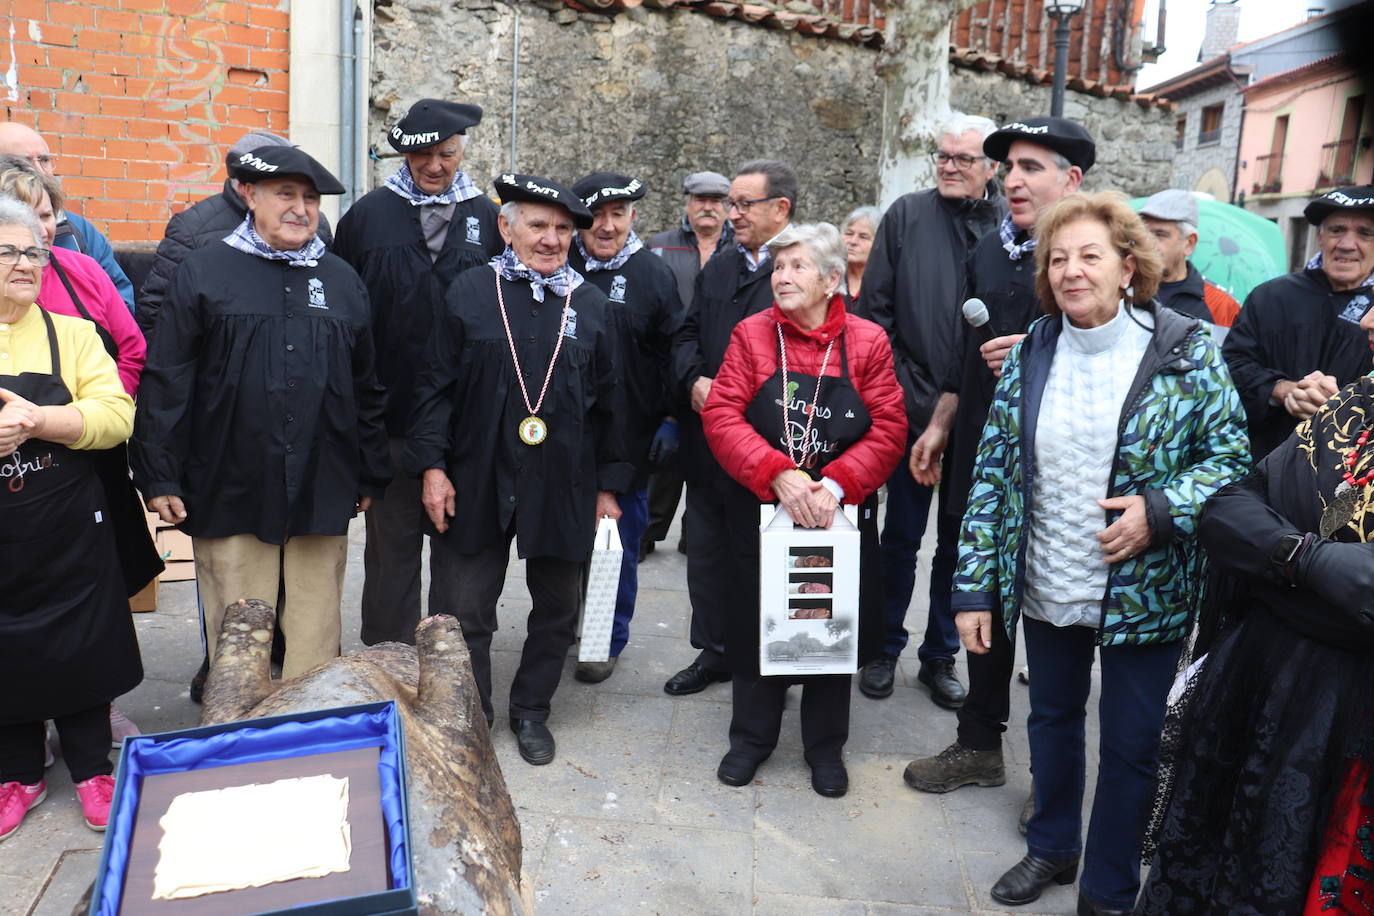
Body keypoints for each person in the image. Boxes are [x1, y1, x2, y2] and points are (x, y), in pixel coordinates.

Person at [954, 191, 1249, 913]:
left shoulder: (1184, 349)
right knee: (1050, 722)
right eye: (1058, 258)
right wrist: (971, 588)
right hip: (1050, 576)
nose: (1070, 271)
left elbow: (1232, 457)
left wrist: (1161, 510)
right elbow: (993, 472)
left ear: (1128, 267)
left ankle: (1110, 886)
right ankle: (1053, 846)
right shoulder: (1031, 352)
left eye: (1090, 255)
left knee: (1129, 742)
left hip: (1145, 588)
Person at [1137, 319, 1374, 913]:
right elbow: (1231, 507)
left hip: (1345, 725)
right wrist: (1304, 557)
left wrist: (1285, 560)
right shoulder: (1357, 401)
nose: (1368, 321)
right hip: (1255, 684)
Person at [131, 146, 391, 681]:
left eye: (310, 198)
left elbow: (367, 384)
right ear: (250, 195)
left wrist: (369, 469)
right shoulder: (204, 271)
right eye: (286, 195)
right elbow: (168, 377)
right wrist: (159, 472)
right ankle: (240, 736)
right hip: (230, 478)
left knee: (316, 634)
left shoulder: (342, 280)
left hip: (323, 480)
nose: (300, 208)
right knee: (239, 627)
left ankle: (308, 735)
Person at [406, 174, 630, 766]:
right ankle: (469, 713)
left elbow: (613, 405)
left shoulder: (593, 306)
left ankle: (532, 710)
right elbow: (432, 389)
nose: (552, 239)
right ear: (506, 227)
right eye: (538, 225)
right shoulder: (468, 292)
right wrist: (432, 467)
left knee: (556, 609)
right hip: (474, 478)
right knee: (461, 608)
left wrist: (609, 487)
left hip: (562, 484)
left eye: (562, 228)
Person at [902, 116, 1089, 800]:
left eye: (1031, 167)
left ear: (1070, 180)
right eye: (1008, 167)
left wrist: (1047, 356)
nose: (1013, 179)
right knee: (977, 594)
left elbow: (1122, 359)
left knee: (1046, 612)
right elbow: (963, 353)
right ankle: (980, 744)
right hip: (982, 460)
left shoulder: (1091, 260)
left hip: (1058, 472)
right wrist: (941, 423)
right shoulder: (988, 249)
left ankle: (1052, 777)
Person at [702, 222, 905, 797]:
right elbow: (722, 415)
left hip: (836, 512)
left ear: (832, 279)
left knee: (828, 625)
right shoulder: (751, 335)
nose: (782, 277)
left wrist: (836, 487)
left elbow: (889, 427)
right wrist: (777, 476)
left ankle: (824, 748)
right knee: (755, 620)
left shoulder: (867, 342)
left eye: (797, 266)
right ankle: (751, 739)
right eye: (778, 266)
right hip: (763, 507)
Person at [0, 162, 161, 747]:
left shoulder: (75, 303)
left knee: (87, 615)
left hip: (74, 491)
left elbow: (125, 374)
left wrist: (55, 419)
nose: (33, 249)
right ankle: (17, 759)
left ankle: (91, 742)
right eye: (13, 244)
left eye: (43, 226)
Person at [333, 99, 502, 648]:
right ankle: (389, 661)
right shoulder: (366, 217)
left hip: (470, 421)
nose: (435, 164)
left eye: (446, 153)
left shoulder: (489, 218)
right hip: (390, 419)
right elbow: (345, 315)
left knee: (460, 550)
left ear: (462, 150)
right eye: (422, 154)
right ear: (404, 154)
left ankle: (448, 659)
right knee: (391, 551)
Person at [858, 112, 1004, 707]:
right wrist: (919, 410)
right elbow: (875, 318)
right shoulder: (906, 216)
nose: (948, 166)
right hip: (908, 409)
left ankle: (939, 655)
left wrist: (957, 412)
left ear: (989, 167)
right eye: (942, 156)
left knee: (958, 541)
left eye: (962, 159)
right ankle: (883, 648)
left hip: (982, 419)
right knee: (900, 537)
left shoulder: (1009, 228)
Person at [665, 159, 796, 697]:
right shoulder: (722, 265)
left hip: (769, 450)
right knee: (708, 555)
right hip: (708, 445)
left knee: (761, 559)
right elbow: (687, 332)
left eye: (743, 204)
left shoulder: (800, 267)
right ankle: (714, 651)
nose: (729, 214)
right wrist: (693, 377)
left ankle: (769, 664)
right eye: (730, 204)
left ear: (780, 209)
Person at [567, 171, 683, 682]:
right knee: (568, 543)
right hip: (563, 436)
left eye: (618, 214)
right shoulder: (559, 261)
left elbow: (675, 352)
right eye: (596, 215)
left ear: (633, 216)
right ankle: (568, 624)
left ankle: (602, 640)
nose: (606, 225)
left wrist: (673, 418)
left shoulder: (652, 277)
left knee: (614, 543)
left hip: (629, 437)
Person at [1224, 185, 1374, 459]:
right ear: (1319, 236)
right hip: (1260, 463)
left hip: (1347, 478)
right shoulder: (1269, 296)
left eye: (1365, 233)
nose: (1347, 244)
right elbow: (1231, 366)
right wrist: (1282, 390)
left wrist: (1343, 407)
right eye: (1337, 230)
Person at [139, 131, 335, 338]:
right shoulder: (194, 227)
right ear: (245, 185)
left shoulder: (315, 225)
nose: (299, 209)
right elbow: (157, 311)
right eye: (284, 189)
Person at [643, 170, 734, 560]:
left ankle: (695, 535)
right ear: (688, 204)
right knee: (661, 462)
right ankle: (647, 532)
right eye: (701, 200)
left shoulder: (738, 250)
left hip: (721, 370)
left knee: (711, 460)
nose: (708, 207)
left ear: (728, 208)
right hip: (667, 371)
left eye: (716, 201)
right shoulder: (660, 247)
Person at [0, 122, 134, 312]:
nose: (41, 172)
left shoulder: (77, 230)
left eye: (45, 160)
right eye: (26, 162)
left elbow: (120, 305)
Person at [1138, 189, 1240, 327]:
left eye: (1160, 234)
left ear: (1189, 243)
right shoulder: (1123, 291)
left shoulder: (1222, 307)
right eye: (1143, 233)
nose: (1148, 242)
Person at [839, 205, 880, 303]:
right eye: (849, 233)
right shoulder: (830, 277)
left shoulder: (885, 284)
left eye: (863, 237)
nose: (853, 241)